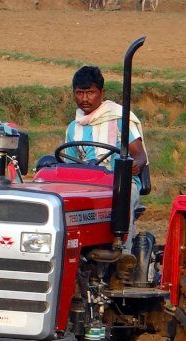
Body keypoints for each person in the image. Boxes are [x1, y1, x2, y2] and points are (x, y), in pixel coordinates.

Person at [66, 65, 148, 253]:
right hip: (88, 184)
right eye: (79, 93)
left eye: (90, 92)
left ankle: (123, 254)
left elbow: (140, 155)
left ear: (101, 93)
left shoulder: (119, 119)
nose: (84, 99)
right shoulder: (73, 127)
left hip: (120, 182)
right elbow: (69, 164)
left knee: (121, 197)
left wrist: (137, 164)